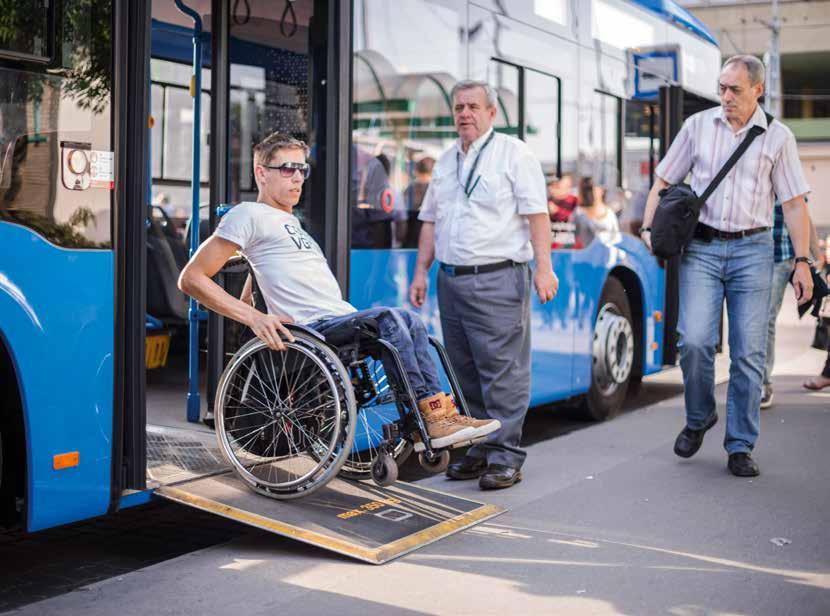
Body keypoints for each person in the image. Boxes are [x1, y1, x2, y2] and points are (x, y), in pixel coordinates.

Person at [178, 132, 500, 451]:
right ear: (261, 173)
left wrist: (256, 300)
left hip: (337, 316)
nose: (298, 178)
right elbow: (191, 278)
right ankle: (427, 420)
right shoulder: (247, 215)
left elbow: (260, 272)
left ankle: (438, 413)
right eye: (287, 169)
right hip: (315, 326)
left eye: (302, 169)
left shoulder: (290, 222)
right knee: (391, 319)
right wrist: (254, 318)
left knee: (411, 321)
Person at [640, 55, 814, 477]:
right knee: (694, 341)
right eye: (722, 88)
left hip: (753, 251)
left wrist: (803, 261)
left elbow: (793, 204)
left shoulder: (778, 136)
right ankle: (699, 417)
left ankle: (740, 444)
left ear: (758, 90)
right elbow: (663, 182)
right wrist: (648, 230)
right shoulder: (698, 126)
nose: (726, 96)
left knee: (749, 354)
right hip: (701, 246)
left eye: (735, 89)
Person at [409, 80, 558, 490]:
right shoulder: (445, 161)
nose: (464, 113)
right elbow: (430, 221)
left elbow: (537, 215)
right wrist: (422, 272)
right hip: (451, 279)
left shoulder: (514, 154)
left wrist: (544, 269)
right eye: (459, 107)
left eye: (473, 106)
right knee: (464, 370)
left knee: (503, 371)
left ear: (492, 113)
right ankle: (478, 448)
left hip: (498, 277)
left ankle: (505, 456)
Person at [762, 203, 825, 408]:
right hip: (746, 255)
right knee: (747, 320)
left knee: (766, 319)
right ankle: (747, 378)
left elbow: (803, 216)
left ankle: (763, 383)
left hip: (780, 257)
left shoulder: (786, 173)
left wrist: (815, 259)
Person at [572, 176, 620, 246]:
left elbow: (616, 238)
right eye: (588, 188)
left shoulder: (610, 214)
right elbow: (572, 238)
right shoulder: (579, 213)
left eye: (594, 187)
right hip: (585, 254)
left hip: (606, 254)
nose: (592, 191)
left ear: (602, 190)